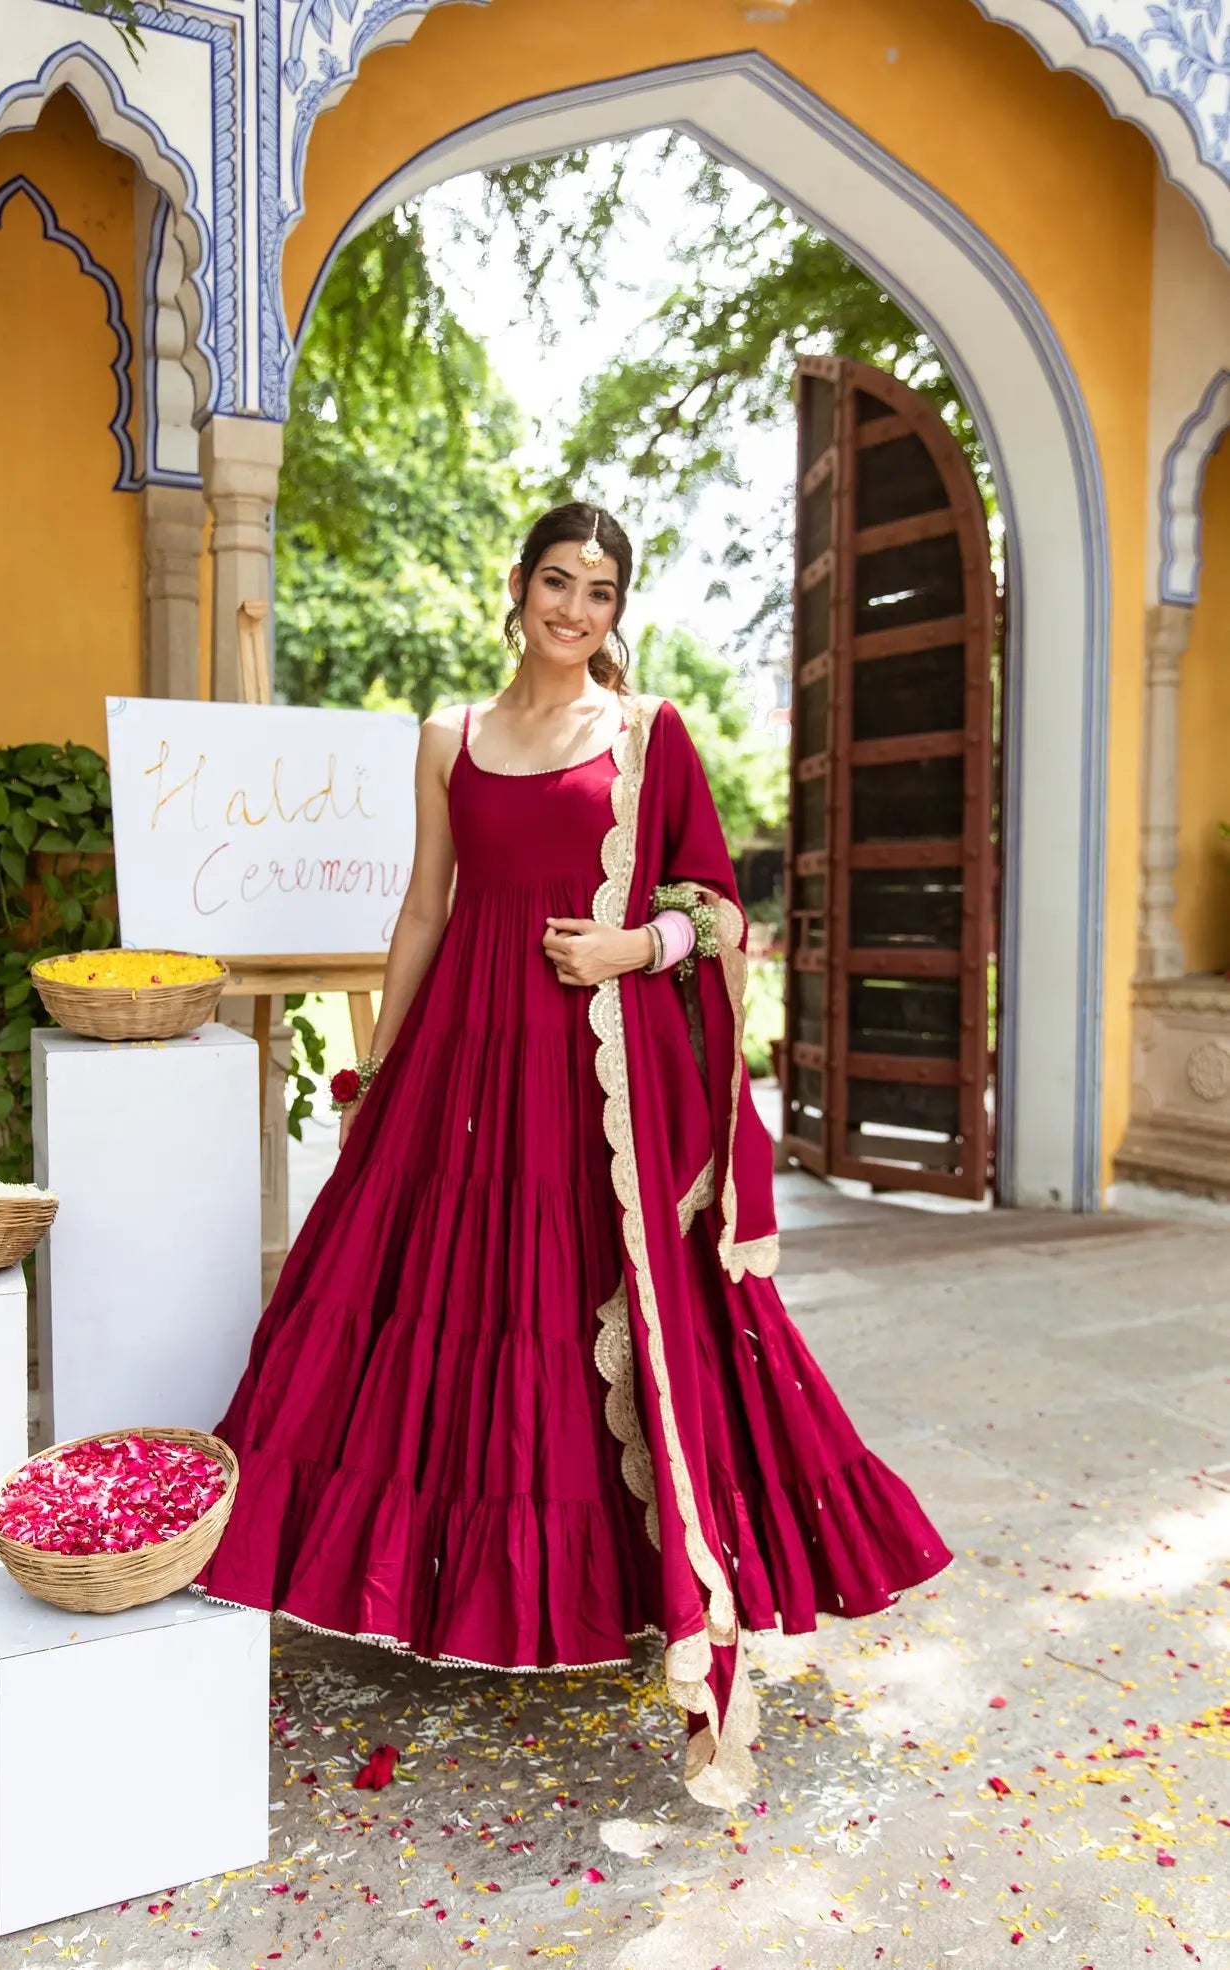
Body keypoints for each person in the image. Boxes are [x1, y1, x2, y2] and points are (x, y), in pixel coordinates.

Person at [195, 502, 951, 1808]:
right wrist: (380, 1070)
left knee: (602, 1315)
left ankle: (653, 1592)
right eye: (560, 581)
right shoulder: (450, 737)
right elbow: (426, 902)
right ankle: (455, 1590)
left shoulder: (650, 736)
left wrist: (628, 948)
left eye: (602, 590)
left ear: (617, 609)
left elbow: (719, 912)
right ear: (519, 585)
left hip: (596, 1073)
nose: (577, 609)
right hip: (462, 1065)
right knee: (452, 1308)